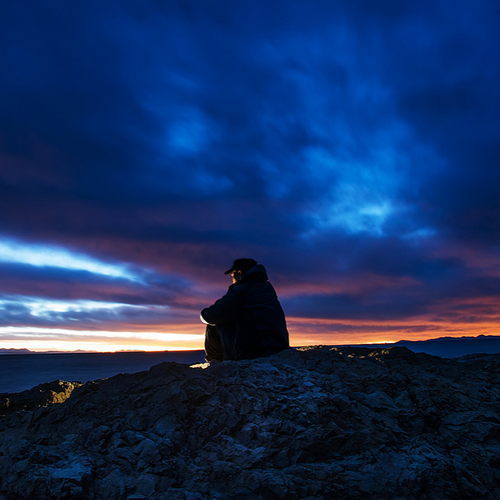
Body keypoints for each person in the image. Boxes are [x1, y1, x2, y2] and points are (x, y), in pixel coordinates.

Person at [200, 258, 290, 362]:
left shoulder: (243, 289)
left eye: (232, 275)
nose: (232, 279)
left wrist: (202, 314)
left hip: (256, 352)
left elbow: (211, 316)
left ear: (239, 272)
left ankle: (216, 364)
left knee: (213, 325)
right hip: (277, 347)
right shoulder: (266, 287)